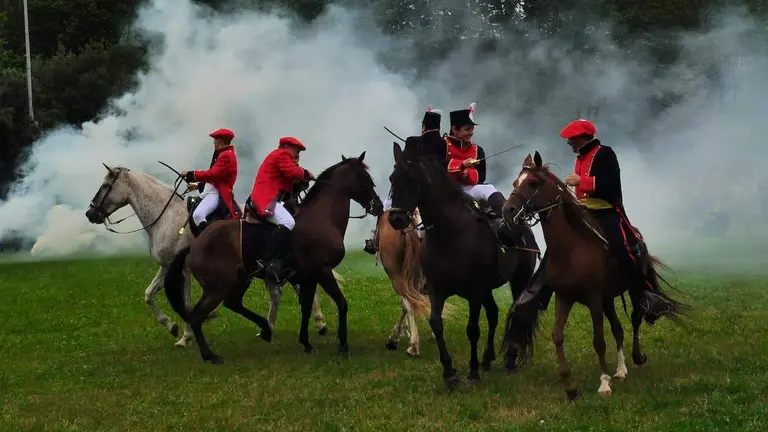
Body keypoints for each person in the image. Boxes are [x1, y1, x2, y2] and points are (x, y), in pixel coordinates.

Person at [363, 106, 444, 254]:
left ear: (423, 126)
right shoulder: (444, 142)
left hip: (413, 188)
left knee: (386, 206)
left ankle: (375, 240)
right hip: (433, 187)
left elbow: (402, 166)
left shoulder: (413, 142)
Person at [246, 136, 315, 281]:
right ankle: (265, 260)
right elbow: (292, 172)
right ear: (287, 147)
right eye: (297, 151)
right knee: (288, 222)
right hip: (266, 199)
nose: (298, 154)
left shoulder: (280, 156)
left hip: (272, 199)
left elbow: (288, 181)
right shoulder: (282, 154)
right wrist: (307, 174)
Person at [442, 103, 507, 219]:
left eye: (472, 129)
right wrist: (461, 165)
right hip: (445, 191)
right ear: (454, 129)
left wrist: (466, 174)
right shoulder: (442, 145)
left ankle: (508, 218)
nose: (471, 133)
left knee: (488, 188)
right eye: (467, 129)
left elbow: (481, 177)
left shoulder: (478, 150)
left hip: (468, 189)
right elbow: (436, 167)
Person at [181, 128, 239, 235]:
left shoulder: (226, 155)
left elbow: (212, 174)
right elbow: (215, 178)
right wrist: (198, 185)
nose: (214, 142)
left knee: (198, 215)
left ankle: (209, 240)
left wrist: (190, 174)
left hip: (216, 193)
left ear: (219, 141)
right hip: (209, 191)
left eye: (215, 140)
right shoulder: (222, 154)